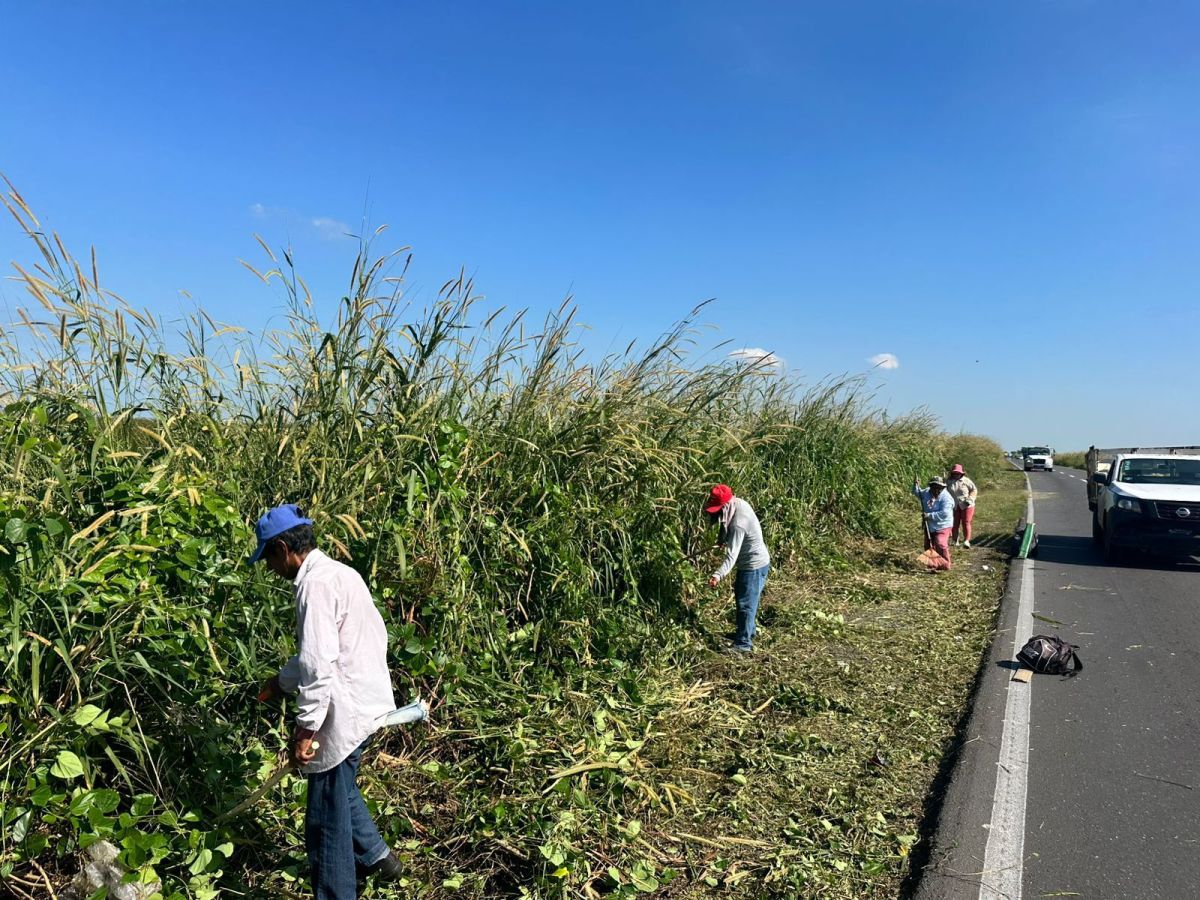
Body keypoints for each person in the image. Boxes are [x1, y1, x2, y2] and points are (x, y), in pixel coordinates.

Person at [251, 504, 403, 899]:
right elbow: (315, 654)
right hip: (368, 701)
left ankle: (337, 893)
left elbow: (319, 666)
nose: (270, 568)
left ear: (284, 549)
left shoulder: (312, 587)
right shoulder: (341, 574)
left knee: (324, 821)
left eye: (268, 557)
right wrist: (281, 683)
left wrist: (306, 730)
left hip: (342, 712)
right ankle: (378, 858)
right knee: (342, 789)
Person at [704, 484, 771, 653]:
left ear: (725, 506)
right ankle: (747, 632)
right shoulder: (738, 503)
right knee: (745, 600)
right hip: (755, 563)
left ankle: (743, 645)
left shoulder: (739, 524)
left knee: (746, 604)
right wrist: (722, 538)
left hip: (753, 566)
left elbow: (731, 556)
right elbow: (726, 521)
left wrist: (717, 575)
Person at [912, 476, 955, 569]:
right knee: (928, 544)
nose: (936, 490)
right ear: (931, 486)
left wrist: (929, 515)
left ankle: (945, 564)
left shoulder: (946, 498)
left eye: (939, 487)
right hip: (929, 525)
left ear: (942, 488)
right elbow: (918, 493)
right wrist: (916, 486)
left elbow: (945, 514)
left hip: (943, 525)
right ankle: (933, 564)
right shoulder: (927, 492)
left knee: (940, 543)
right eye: (934, 487)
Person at [946, 463, 978, 548]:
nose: (956, 474)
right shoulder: (948, 481)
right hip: (954, 505)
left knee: (966, 522)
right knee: (954, 523)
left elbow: (974, 490)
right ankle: (955, 540)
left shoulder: (966, 481)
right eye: (955, 473)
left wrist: (970, 499)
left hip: (966, 505)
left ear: (961, 473)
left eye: (958, 473)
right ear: (952, 473)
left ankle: (966, 541)